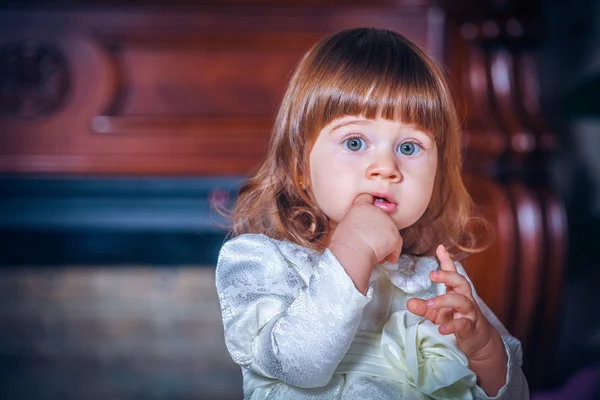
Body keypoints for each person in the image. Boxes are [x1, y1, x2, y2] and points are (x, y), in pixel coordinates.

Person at [215, 27, 529, 399]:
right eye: (354, 142)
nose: (386, 167)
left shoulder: (439, 277)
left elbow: (518, 395)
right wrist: (352, 249)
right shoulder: (260, 260)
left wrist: (484, 351)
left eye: (410, 147)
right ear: (300, 165)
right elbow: (299, 368)